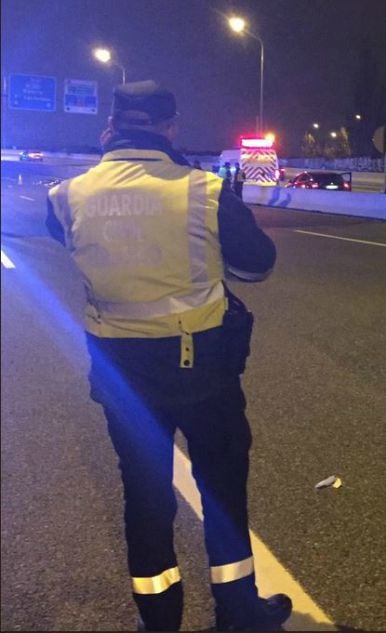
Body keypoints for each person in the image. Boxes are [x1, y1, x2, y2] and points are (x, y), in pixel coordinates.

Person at [45, 81, 290, 632]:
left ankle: (158, 621)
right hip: (202, 368)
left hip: (122, 376)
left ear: (110, 127)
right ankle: (238, 613)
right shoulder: (202, 191)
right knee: (221, 490)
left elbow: (71, 242)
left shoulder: (67, 196)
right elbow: (258, 266)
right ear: (169, 128)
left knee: (145, 497)